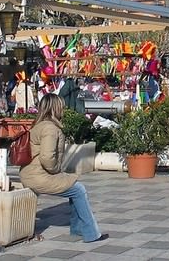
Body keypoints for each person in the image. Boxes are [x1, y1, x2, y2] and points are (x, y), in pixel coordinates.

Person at [19, 94, 108, 243]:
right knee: (78, 190)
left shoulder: (39, 125)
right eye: (62, 106)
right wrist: (56, 171)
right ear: (55, 108)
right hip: (39, 175)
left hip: (30, 173)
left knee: (74, 187)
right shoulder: (50, 128)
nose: (64, 109)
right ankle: (91, 233)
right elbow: (47, 159)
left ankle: (77, 229)